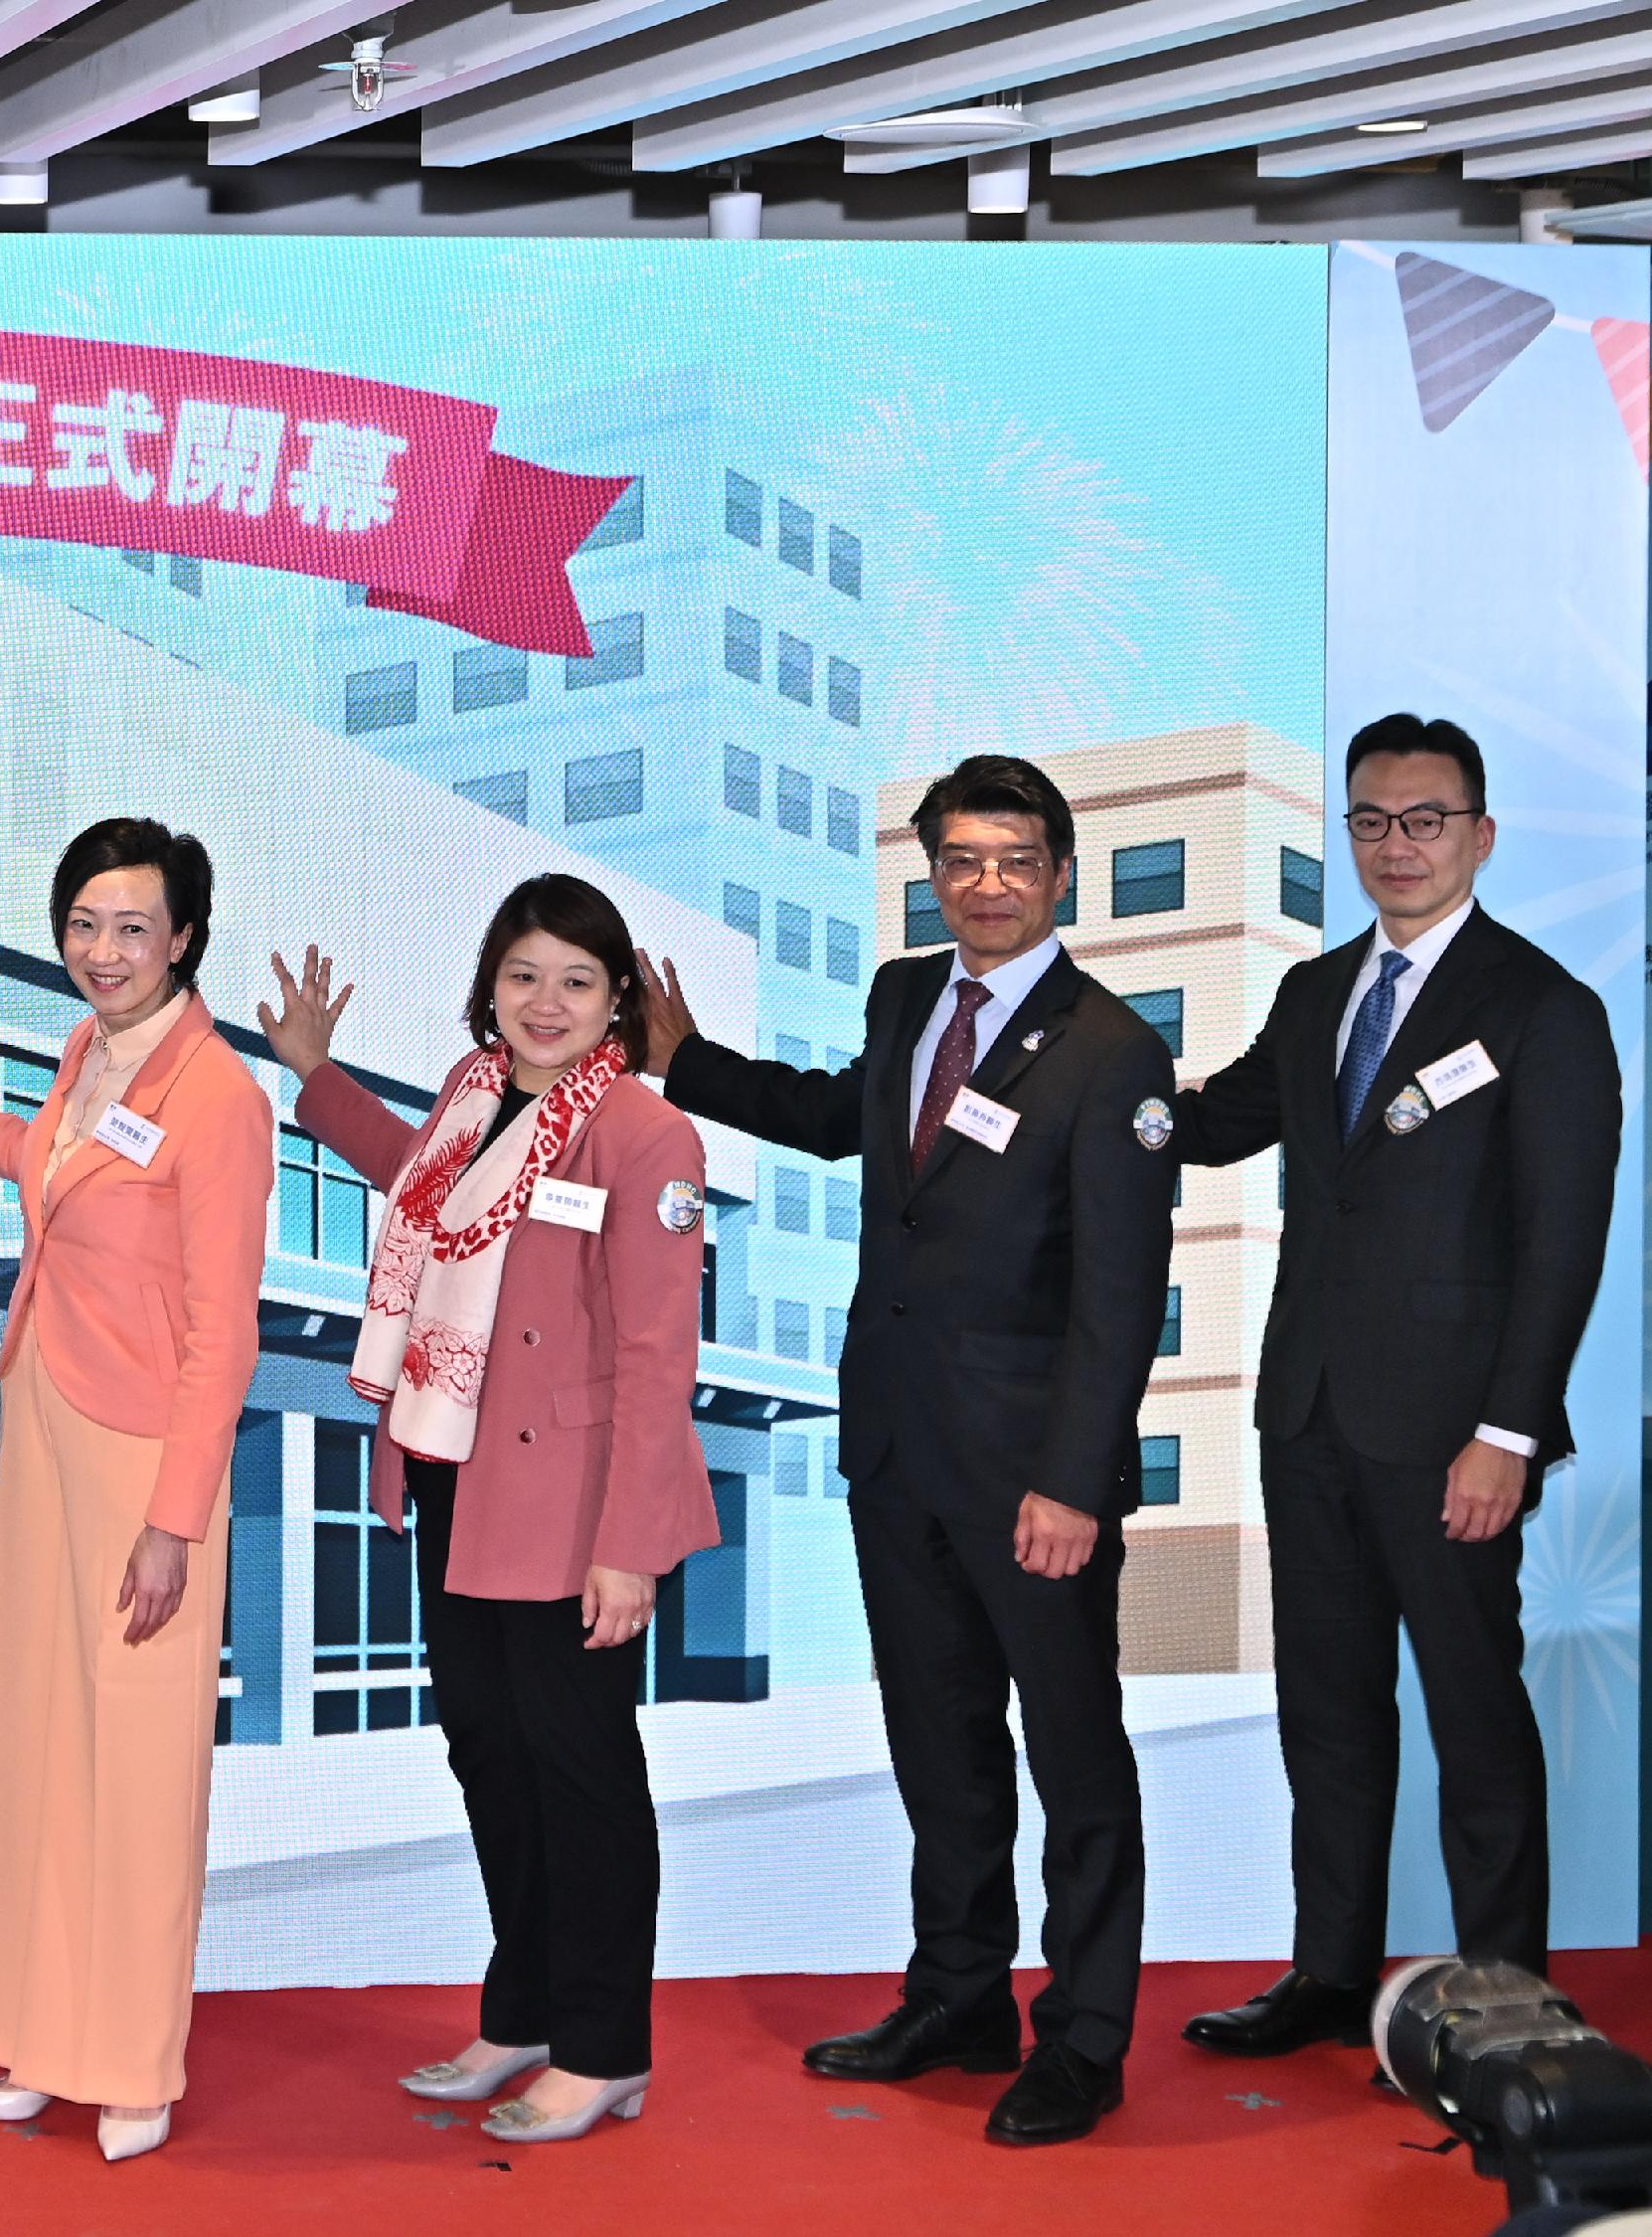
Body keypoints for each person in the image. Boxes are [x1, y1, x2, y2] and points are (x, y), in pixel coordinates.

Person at [641, 754, 1176, 2147]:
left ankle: (1085, 2035)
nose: (984, 885)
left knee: (1073, 1756)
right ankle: (957, 1994)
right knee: (938, 1743)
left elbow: (1120, 1297)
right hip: (897, 1445)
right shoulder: (903, 996)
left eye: (1013, 860)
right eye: (959, 859)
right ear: (929, 870)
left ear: (1061, 872)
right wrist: (683, 1064)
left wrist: (1072, 1478)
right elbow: (839, 1120)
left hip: (1032, 1477)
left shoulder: (1116, 1051)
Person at [1171, 716, 1619, 2057]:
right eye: (1371, 819)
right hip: (1306, 1411)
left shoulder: (1542, 1007)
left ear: (1479, 834)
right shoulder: (1317, 995)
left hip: (1453, 1436)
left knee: (1475, 1709)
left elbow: (1561, 1241)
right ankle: (1326, 1972)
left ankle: (1505, 2000)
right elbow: (1212, 1122)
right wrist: (1086, 1075)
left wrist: (1508, 1431)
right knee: (1327, 1706)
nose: (1396, 844)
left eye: (1425, 819)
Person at [256, 878, 717, 2145]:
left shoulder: (641, 1136)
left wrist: (627, 1551)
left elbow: (655, 1359)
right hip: (456, 1471)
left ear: (618, 997)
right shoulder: (469, 1108)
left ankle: (605, 2044)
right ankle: (521, 2015)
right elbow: (409, 1180)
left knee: (581, 1772)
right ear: (488, 986)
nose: (546, 1002)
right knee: (490, 1757)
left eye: (577, 979)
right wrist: (314, 1072)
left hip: (573, 1507)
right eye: (523, 974)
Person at [0, 816, 272, 2164]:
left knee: (140, 1762)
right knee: (45, 1741)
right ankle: (39, 2042)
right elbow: (61, 1168)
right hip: (46, 1413)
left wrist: (177, 1517)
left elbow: (228, 1332)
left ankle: (131, 2058)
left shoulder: (221, 1096)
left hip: (144, 1453)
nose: (103, 952)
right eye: (85, 925)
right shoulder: (93, 1052)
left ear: (186, 940)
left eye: (133, 929)